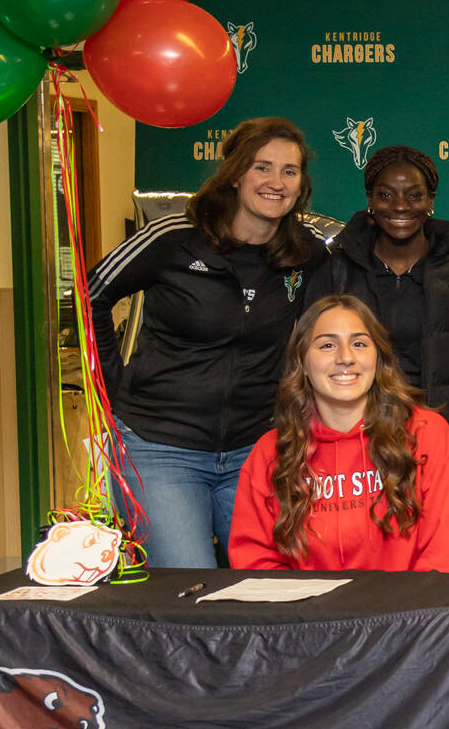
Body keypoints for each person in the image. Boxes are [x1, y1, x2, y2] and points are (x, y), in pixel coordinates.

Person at [88, 116, 330, 568]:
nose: (276, 182)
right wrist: (114, 389)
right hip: (161, 449)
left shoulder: (307, 253)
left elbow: (319, 337)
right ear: (236, 174)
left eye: (289, 171)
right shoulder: (174, 237)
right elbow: (90, 296)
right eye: (262, 167)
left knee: (270, 587)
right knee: (189, 584)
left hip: (257, 448)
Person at [228, 296, 449, 571]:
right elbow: (257, 566)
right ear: (303, 363)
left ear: (378, 358)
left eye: (359, 343)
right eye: (327, 345)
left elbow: (448, 560)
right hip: (308, 614)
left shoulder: (426, 435)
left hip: (410, 612)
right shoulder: (272, 452)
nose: (345, 357)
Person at [315, 144, 449, 413]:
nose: (400, 206)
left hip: (442, 437)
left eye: (414, 196)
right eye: (386, 195)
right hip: (355, 434)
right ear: (370, 200)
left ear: (430, 201)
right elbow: (312, 363)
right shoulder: (335, 273)